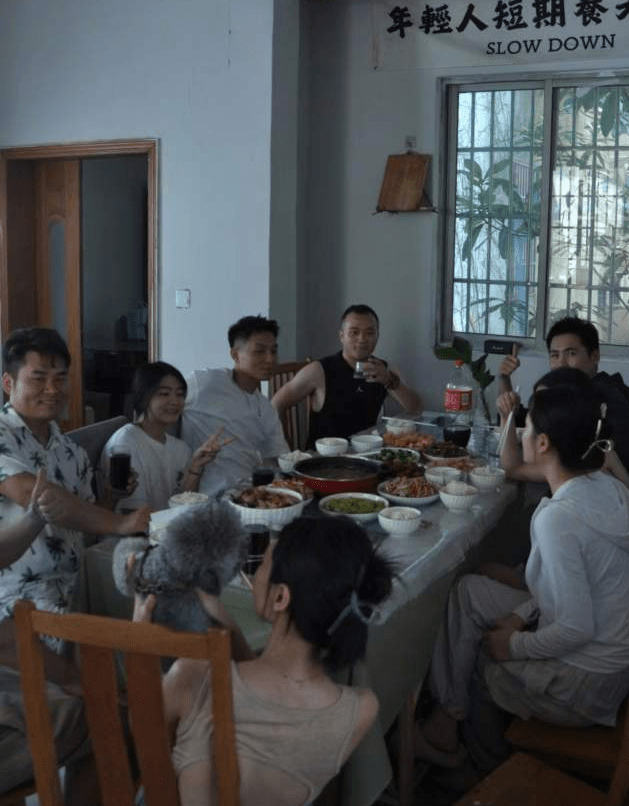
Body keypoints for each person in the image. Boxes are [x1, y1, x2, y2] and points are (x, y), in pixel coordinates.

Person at [418, 382, 629, 774]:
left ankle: (480, 770)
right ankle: (446, 722)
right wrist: (521, 616)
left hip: (588, 684)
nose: (521, 433)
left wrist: (514, 645)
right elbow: (577, 589)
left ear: (542, 444)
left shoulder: (560, 517)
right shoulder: (609, 486)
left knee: (484, 661)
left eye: (525, 427)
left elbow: (575, 626)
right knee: (471, 591)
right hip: (617, 658)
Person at [133, 516, 394, 806]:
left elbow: (140, 727)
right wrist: (229, 630)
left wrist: (138, 641)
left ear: (280, 597)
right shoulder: (360, 710)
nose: (255, 576)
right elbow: (265, 708)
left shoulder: (194, 677)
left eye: (261, 567)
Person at [0, 327, 150, 800]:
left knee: (160, 632)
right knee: (116, 700)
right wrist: (120, 524)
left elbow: (82, 521)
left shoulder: (65, 448)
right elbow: (41, 501)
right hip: (19, 605)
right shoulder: (3, 437)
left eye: (60, 378)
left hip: (76, 588)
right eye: (38, 377)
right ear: (8, 383)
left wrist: (112, 499)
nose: (52, 389)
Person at [496, 316, 629, 534]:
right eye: (555, 355)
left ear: (594, 356)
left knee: (510, 528)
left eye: (572, 353)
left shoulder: (593, 402)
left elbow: (514, 469)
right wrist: (504, 380)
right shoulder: (597, 389)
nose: (561, 363)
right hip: (625, 514)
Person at [272, 305, 422, 448]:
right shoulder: (319, 370)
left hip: (367, 455)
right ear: (341, 336)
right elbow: (276, 404)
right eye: (354, 332)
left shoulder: (383, 369)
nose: (362, 339)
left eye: (370, 333)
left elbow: (416, 409)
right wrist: (284, 450)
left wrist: (389, 381)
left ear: (378, 336)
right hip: (324, 462)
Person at [100, 361, 234, 511]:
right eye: (164, 394)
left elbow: (184, 504)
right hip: (133, 531)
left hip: (169, 528)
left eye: (180, 394)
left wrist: (195, 466)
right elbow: (131, 512)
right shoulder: (125, 444)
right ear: (143, 398)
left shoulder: (180, 448)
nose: (175, 401)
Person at [181, 316, 290, 496]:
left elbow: (278, 457)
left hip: (248, 494)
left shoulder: (264, 407)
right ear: (235, 355)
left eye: (273, 351)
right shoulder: (205, 383)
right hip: (206, 495)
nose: (270, 359)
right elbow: (163, 402)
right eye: (260, 351)